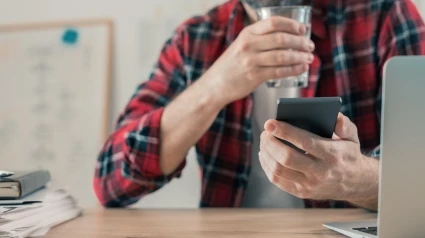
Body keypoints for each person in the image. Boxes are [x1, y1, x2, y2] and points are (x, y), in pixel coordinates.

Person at [93, 0, 425, 210]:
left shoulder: (383, 13)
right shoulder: (196, 39)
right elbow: (111, 181)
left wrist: (355, 177)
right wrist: (213, 86)